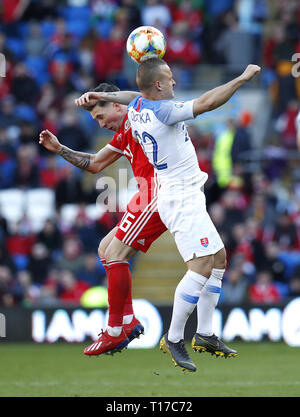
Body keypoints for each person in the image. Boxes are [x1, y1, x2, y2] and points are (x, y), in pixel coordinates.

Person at [76, 59, 261, 371]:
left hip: (184, 193)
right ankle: (174, 337)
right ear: (159, 86)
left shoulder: (137, 109)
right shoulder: (164, 112)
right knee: (201, 265)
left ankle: (205, 333)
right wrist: (242, 78)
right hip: (179, 197)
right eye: (170, 79)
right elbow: (207, 102)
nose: (174, 83)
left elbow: (131, 95)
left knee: (218, 258)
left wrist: (97, 96)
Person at [39, 82, 166, 356]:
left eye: (100, 116)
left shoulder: (141, 113)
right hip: (146, 195)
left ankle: (114, 330)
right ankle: (128, 320)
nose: (99, 124)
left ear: (116, 104)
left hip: (160, 191)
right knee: (105, 250)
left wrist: (101, 95)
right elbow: (95, 163)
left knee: (116, 253)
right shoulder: (123, 134)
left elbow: (140, 97)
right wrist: (60, 148)